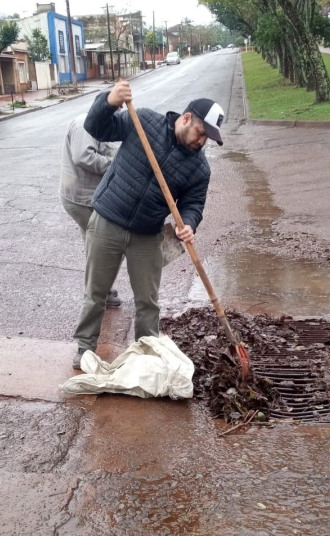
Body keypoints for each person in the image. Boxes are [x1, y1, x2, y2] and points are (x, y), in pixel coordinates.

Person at [71, 80, 225, 369]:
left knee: (148, 301)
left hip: (147, 233)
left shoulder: (199, 168)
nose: (202, 142)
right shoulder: (143, 121)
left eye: (208, 138)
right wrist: (109, 101)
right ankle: (85, 347)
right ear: (187, 118)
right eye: (201, 133)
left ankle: (146, 355)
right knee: (96, 292)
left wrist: (188, 223)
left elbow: (193, 204)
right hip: (107, 220)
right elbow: (98, 128)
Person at [59, 113, 122, 308]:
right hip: (81, 199)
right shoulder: (83, 126)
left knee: (94, 244)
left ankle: (100, 291)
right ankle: (99, 294)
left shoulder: (100, 125)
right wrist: (116, 165)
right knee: (105, 244)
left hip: (88, 197)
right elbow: (83, 157)